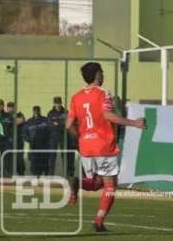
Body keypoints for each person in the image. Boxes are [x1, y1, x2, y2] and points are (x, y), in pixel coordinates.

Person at [66, 62, 145, 232]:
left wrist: (81, 136)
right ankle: (99, 220)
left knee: (97, 183)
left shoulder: (76, 96)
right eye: (101, 73)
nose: (103, 76)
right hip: (102, 145)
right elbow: (107, 115)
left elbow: (68, 124)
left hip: (86, 146)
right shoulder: (103, 93)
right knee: (110, 185)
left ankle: (78, 183)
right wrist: (134, 123)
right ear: (96, 75)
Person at [25, 106, 50, 176]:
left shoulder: (45, 120)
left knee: (45, 164)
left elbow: (50, 131)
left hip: (44, 146)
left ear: (40, 111)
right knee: (34, 164)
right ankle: (36, 178)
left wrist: (48, 141)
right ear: (33, 111)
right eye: (35, 111)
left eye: (37, 111)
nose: (36, 112)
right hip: (33, 146)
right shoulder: (29, 122)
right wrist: (29, 140)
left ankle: (45, 178)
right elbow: (24, 133)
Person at [47, 96, 65, 175]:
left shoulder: (65, 112)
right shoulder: (50, 113)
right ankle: (51, 174)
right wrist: (60, 123)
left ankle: (66, 174)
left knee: (64, 156)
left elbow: (67, 124)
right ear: (54, 104)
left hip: (63, 136)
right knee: (52, 156)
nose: (58, 105)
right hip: (53, 136)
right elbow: (50, 125)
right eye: (56, 103)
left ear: (61, 103)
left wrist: (58, 124)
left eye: (59, 103)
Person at [13, 112, 27, 176]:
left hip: (19, 145)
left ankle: (21, 174)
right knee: (12, 161)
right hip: (11, 145)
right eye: (17, 119)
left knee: (20, 160)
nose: (18, 120)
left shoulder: (24, 125)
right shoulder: (13, 126)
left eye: (20, 119)